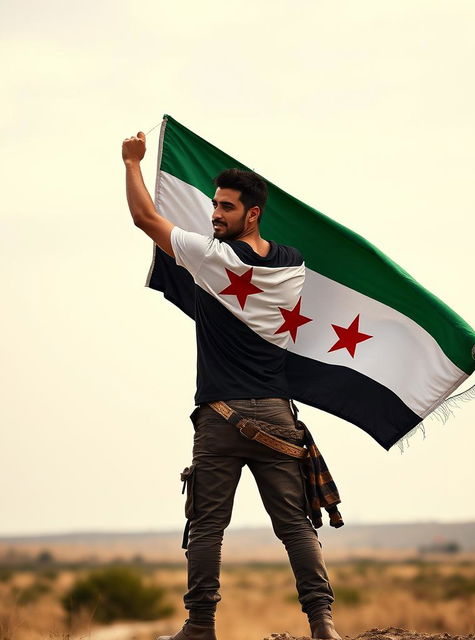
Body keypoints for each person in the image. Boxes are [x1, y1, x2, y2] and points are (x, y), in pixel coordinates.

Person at [122, 131, 341, 640]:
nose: (215, 215)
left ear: (253, 212)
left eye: (225, 207)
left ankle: (199, 626)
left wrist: (133, 163)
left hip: (220, 418)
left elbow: (144, 219)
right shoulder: (291, 265)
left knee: (206, 527)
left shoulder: (211, 259)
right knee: (295, 527)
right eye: (214, 205)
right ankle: (322, 624)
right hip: (277, 419)